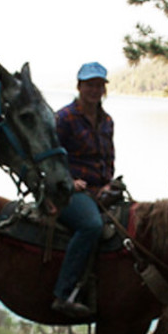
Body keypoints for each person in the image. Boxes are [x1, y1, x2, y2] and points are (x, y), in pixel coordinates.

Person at [51, 62, 115, 318]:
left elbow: (108, 158)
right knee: (91, 226)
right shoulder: (64, 118)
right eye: (89, 85)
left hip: (100, 188)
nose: (94, 90)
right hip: (70, 191)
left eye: (99, 85)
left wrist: (109, 183)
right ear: (79, 87)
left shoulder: (107, 120)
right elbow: (51, 159)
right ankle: (63, 293)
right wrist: (69, 181)